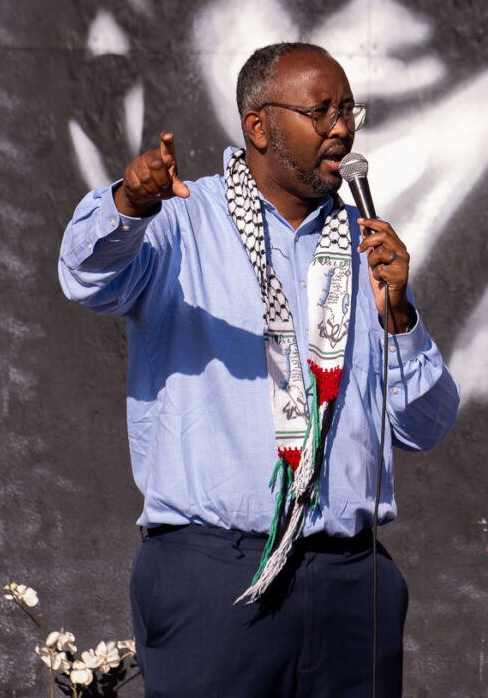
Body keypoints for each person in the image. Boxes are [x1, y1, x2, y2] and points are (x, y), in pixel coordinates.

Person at [58, 41, 459, 696]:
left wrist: (400, 318)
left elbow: (427, 425)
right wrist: (131, 203)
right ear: (258, 126)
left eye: (348, 110)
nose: (341, 127)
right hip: (219, 576)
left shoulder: (364, 248)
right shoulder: (185, 218)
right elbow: (84, 274)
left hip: (350, 579)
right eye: (320, 110)